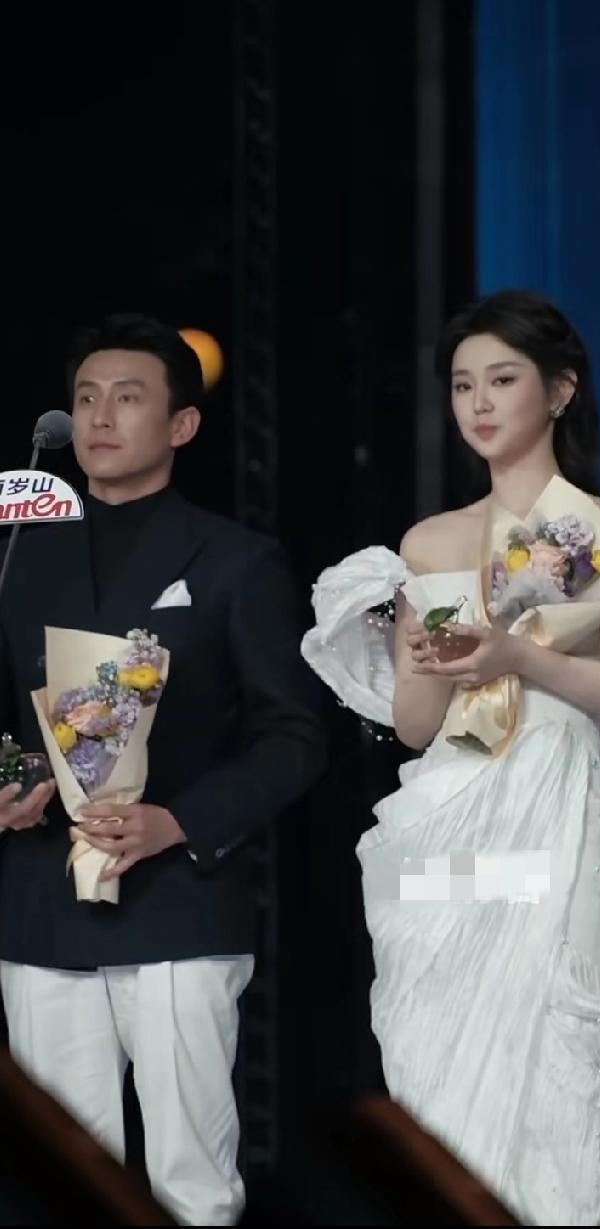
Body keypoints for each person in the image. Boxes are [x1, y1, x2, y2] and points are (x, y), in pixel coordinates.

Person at [302, 290, 600, 1226]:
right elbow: (415, 725)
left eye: (502, 379)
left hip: (553, 813)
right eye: (461, 385)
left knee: (559, 1046)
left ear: (559, 390)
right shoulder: (430, 541)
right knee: (442, 1047)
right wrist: (418, 653)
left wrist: (522, 657)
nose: (479, 403)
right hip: (450, 820)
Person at [0, 313, 326, 1226]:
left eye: (127, 397)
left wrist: (179, 822)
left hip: (179, 900)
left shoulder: (236, 560)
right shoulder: (20, 554)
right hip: (42, 903)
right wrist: (11, 780)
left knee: (192, 1183)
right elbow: (8, 721)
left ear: (182, 424)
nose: (100, 416)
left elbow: (294, 736)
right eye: (85, 398)